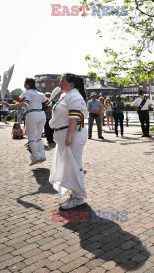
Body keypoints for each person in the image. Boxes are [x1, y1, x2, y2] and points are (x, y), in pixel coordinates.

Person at [49, 73, 89, 209]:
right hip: (66, 133)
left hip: (73, 134)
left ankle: (78, 197)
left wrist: (68, 137)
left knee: (75, 164)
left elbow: (74, 118)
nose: (59, 84)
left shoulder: (75, 97)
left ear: (71, 84)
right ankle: (75, 195)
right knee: (68, 165)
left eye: (62, 81)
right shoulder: (66, 95)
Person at [2, 78, 49, 165]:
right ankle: (42, 155)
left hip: (32, 114)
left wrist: (11, 105)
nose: (24, 86)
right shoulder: (40, 93)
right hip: (42, 114)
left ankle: (36, 157)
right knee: (38, 136)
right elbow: (48, 102)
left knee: (31, 137)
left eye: (25, 84)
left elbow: (25, 104)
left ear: (27, 85)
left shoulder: (26, 93)